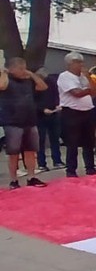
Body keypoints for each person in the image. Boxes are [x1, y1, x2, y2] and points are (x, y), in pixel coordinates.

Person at [0, 57, 48, 188]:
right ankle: (13, 180)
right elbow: (2, 86)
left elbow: (43, 87)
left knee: (30, 151)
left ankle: (31, 177)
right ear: (11, 69)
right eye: (20, 68)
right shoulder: (5, 79)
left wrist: (31, 74)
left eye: (24, 68)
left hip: (30, 120)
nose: (23, 71)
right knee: (13, 153)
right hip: (12, 121)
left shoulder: (27, 81)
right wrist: (4, 72)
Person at [56, 53, 96, 177]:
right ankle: (71, 170)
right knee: (72, 142)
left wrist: (89, 78)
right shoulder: (65, 77)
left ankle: (90, 167)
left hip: (87, 110)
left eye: (81, 62)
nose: (81, 64)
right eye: (77, 62)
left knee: (89, 142)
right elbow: (76, 93)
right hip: (72, 111)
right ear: (70, 64)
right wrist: (88, 90)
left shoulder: (84, 77)